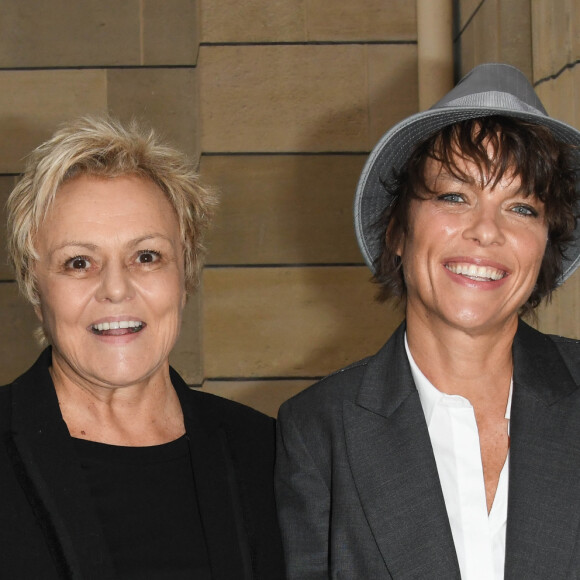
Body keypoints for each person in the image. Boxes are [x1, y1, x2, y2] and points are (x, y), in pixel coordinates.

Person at [275, 63, 580, 579]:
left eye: (522, 208)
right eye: (454, 197)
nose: (486, 231)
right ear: (397, 229)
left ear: (547, 243)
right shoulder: (318, 431)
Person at [1, 116, 286, 579]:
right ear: (37, 292)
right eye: (78, 262)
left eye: (146, 256)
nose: (116, 288)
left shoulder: (271, 456)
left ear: (186, 275)